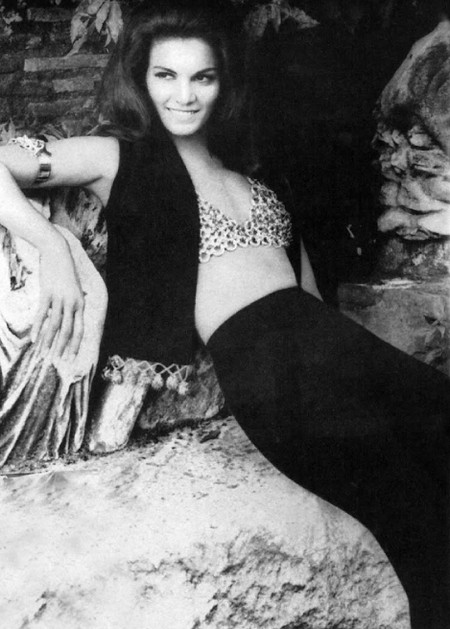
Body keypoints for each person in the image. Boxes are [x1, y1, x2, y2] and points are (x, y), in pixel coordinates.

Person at [0, 1, 449, 626]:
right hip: (274, 378)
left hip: (339, 352)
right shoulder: (116, 157)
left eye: (202, 77)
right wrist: (50, 243)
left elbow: (313, 306)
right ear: (141, 81)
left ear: (223, 85)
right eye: (166, 75)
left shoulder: (259, 185)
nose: (184, 95)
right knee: (418, 524)